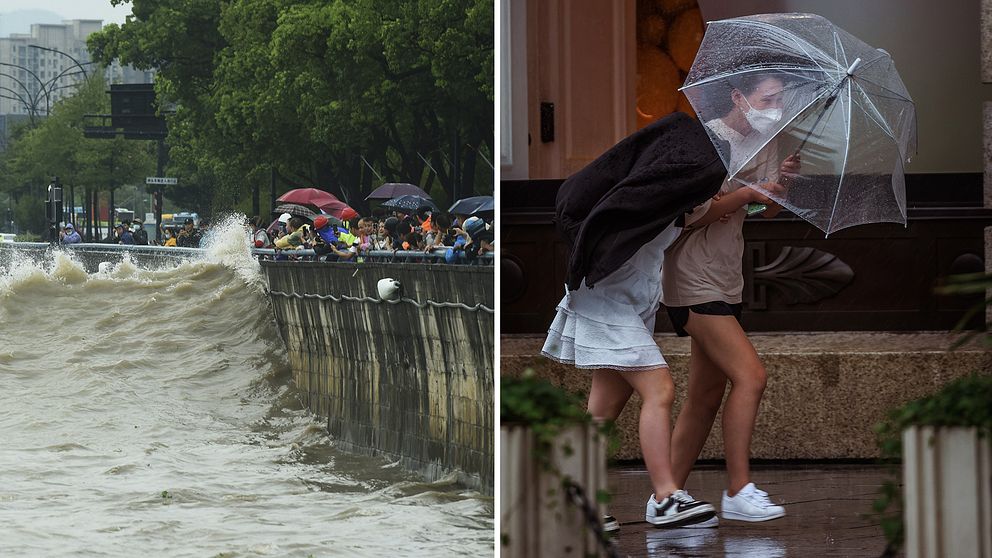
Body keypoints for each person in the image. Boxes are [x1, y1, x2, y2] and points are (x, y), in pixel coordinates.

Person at [542, 112, 726, 529]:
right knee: (660, 388)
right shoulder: (644, 195)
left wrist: (754, 191)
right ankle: (665, 496)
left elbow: (691, 217)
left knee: (605, 407)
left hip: (632, 301)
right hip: (606, 298)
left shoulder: (666, 199)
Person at [662, 73, 798, 524]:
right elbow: (688, 214)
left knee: (705, 394)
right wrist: (745, 192)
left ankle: (667, 498)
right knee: (751, 375)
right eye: (768, 98)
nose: (775, 107)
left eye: (780, 99)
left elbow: (761, 209)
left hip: (725, 278)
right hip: (690, 277)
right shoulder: (707, 142)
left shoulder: (766, 143)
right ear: (739, 97)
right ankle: (738, 489)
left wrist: (779, 185)